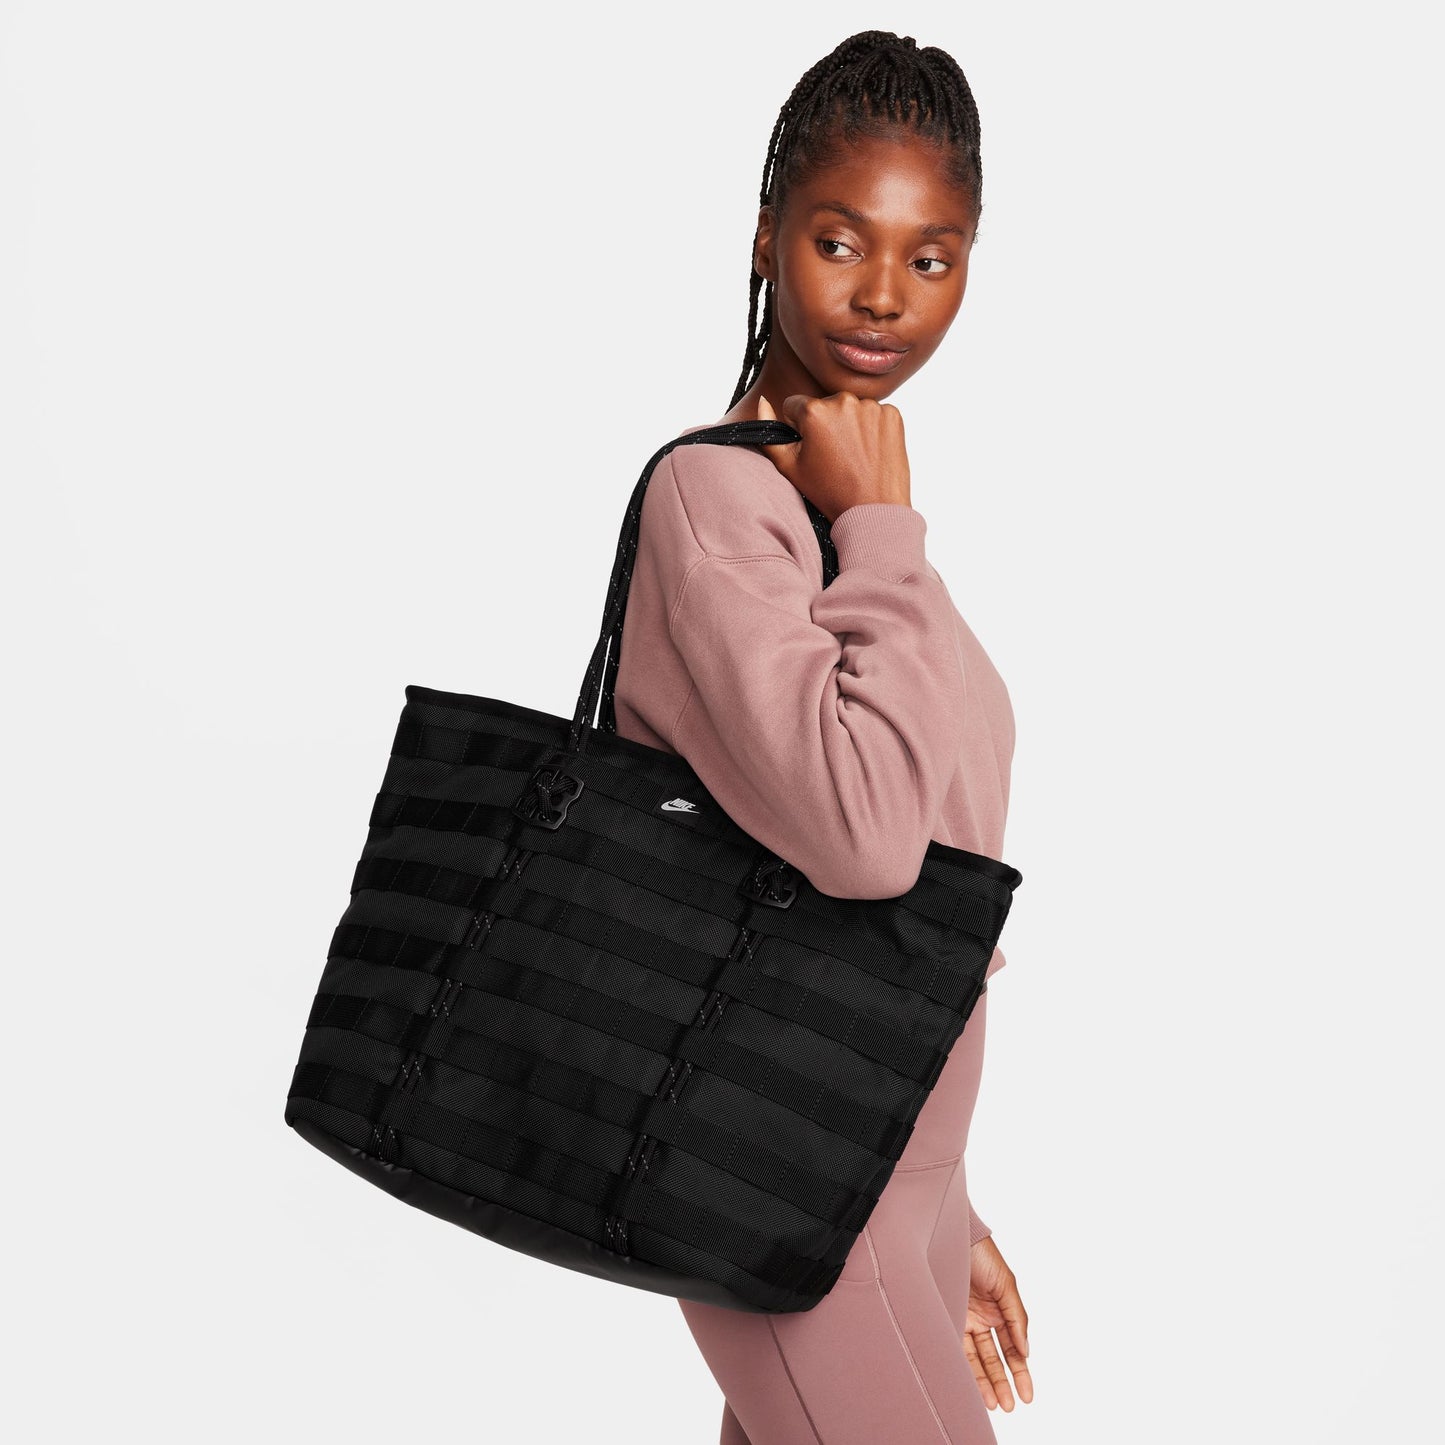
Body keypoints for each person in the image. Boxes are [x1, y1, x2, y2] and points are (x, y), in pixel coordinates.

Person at [611, 29, 1034, 1445]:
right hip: (778, 1176)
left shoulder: (844, 522)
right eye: (840, 240)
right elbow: (859, 845)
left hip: (886, 1180)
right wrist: (878, 526)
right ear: (763, 238)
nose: (882, 298)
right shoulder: (719, 505)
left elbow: (922, 899)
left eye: (932, 256)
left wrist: (949, 1201)